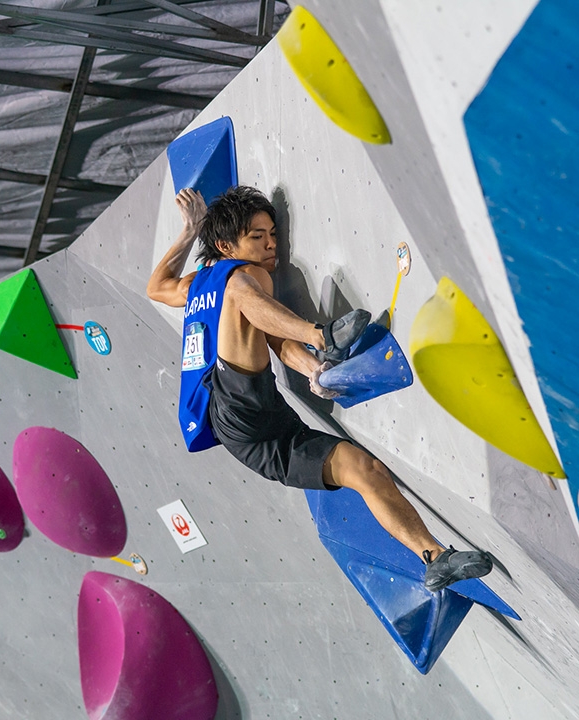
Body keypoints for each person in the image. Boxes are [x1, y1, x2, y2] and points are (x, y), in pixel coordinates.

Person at [146, 186, 492, 591]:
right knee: (245, 283)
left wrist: (313, 371)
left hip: (266, 440)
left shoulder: (248, 298)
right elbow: (156, 287)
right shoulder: (223, 280)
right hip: (229, 406)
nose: (272, 244)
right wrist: (190, 230)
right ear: (225, 244)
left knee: (365, 470)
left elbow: (274, 340)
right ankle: (324, 335)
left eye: (273, 233)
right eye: (258, 237)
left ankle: (434, 557)